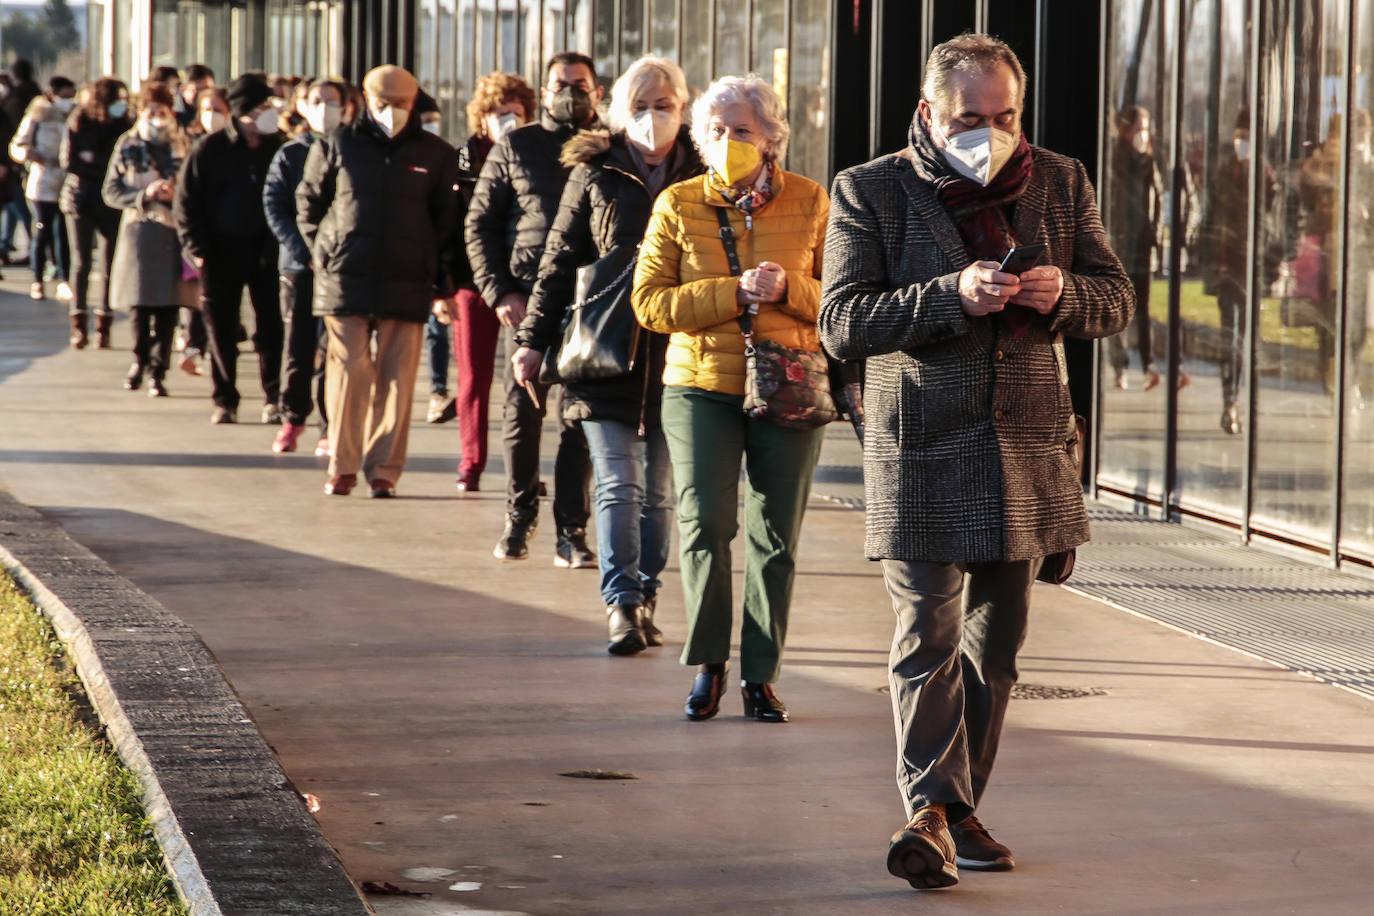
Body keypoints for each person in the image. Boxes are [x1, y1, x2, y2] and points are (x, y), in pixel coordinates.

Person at [817, 34, 1133, 890]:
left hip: (1028, 446)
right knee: (927, 633)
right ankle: (927, 809)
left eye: (1004, 117)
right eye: (969, 117)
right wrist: (946, 296)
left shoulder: (1060, 182)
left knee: (996, 649)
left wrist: (1064, 292)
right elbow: (841, 323)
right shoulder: (869, 190)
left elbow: (1116, 298)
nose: (988, 132)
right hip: (922, 449)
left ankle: (955, 814)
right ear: (928, 113)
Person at [632, 74, 829, 720]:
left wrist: (788, 291)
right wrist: (733, 293)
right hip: (699, 386)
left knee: (776, 534)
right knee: (705, 525)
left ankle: (760, 674)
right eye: (715, 132)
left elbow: (844, 300)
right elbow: (649, 303)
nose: (729, 142)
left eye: (742, 131)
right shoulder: (678, 203)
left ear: (772, 138)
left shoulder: (811, 201)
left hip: (787, 384)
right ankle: (710, 663)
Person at [513, 56, 703, 655]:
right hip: (604, 350)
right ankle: (620, 604)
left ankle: (645, 595)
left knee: (661, 493)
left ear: (685, 108)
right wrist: (531, 342)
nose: (654, 117)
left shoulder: (707, 170)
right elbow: (558, 262)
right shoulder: (594, 172)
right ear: (621, 110)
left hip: (680, 354)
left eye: (665, 104)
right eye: (642, 106)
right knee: (618, 483)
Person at [296, 65, 459, 498]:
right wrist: (321, 252)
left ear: (414, 101)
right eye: (384, 104)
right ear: (367, 101)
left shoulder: (436, 153)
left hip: (408, 277)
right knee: (349, 370)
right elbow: (308, 202)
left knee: (398, 377)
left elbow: (447, 222)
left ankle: (384, 468)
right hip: (344, 276)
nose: (393, 112)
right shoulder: (339, 144)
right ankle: (342, 464)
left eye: (402, 104)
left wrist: (442, 283)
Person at [466, 52, 602, 564]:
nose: (570, 92)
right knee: (523, 410)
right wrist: (499, 290)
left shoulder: (608, 149)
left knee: (579, 418)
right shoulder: (516, 145)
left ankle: (572, 530)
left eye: (580, 84)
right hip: (526, 302)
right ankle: (519, 516)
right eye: (561, 84)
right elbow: (479, 225)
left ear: (598, 92)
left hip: (589, 304)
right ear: (543, 93)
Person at [435, 71, 535, 493]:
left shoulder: (538, 157)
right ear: (482, 117)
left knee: (527, 378)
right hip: (472, 284)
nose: (505, 121)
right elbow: (447, 226)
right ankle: (471, 461)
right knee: (474, 378)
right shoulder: (463, 159)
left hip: (525, 287)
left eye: (514, 113)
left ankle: (523, 466)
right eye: (497, 114)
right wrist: (441, 288)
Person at [174, 74, 285, 425]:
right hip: (220, 252)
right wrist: (198, 248)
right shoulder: (211, 149)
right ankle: (225, 400)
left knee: (270, 327)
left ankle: (274, 397)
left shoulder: (279, 147)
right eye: (261, 107)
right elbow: (186, 201)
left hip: (268, 252)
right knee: (221, 328)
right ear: (243, 112)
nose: (269, 113)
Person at [263, 78, 347, 455]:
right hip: (299, 265)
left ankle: (329, 424)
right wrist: (303, 249)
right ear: (303, 105)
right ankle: (292, 418)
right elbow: (276, 206)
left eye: (332, 101)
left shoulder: (352, 150)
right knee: (298, 346)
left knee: (335, 349)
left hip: (339, 267)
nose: (324, 108)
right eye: (317, 101)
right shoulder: (291, 154)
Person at [104, 82, 194, 397]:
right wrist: (144, 194)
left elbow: (194, 189)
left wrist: (174, 194)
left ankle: (159, 370)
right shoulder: (127, 144)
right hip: (139, 229)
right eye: (150, 110)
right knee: (140, 303)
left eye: (162, 111)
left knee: (169, 305)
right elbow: (111, 191)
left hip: (172, 230)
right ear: (141, 112)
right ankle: (139, 360)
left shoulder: (183, 143)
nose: (156, 116)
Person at [60, 77, 133, 349]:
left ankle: (104, 324)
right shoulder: (79, 120)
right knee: (81, 262)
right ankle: (79, 324)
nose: (121, 104)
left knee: (109, 260)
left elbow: (120, 164)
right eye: (116, 98)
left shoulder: (123, 124)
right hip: (80, 196)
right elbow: (70, 161)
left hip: (111, 199)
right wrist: (98, 164)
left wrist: (94, 160)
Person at [1105, 105, 1164, 390]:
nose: (1143, 135)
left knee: (1144, 308)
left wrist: (1157, 237)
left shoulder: (1148, 163)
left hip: (1144, 246)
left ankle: (1149, 366)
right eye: (1138, 128)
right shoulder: (1113, 162)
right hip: (1119, 243)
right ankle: (1121, 367)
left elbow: (1161, 202)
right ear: (1126, 130)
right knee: (1120, 305)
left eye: (1145, 129)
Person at [10, 77, 76, 302]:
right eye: (67, 93)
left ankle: (64, 279)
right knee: (42, 231)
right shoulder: (37, 115)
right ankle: (37, 280)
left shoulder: (74, 115)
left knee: (63, 233)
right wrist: (30, 155)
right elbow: (18, 145)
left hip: (66, 180)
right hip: (42, 181)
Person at [1, 60, 41, 263]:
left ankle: (28, 247)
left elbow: (8, 130)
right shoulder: (36, 95)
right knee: (15, 205)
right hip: (28, 158)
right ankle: (7, 244)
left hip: (14, 158)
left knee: (17, 205)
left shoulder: (14, 99)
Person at [175, 65, 216, 130]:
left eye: (207, 89)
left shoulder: (220, 111)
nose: (203, 95)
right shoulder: (174, 117)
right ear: (183, 90)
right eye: (197, 91)